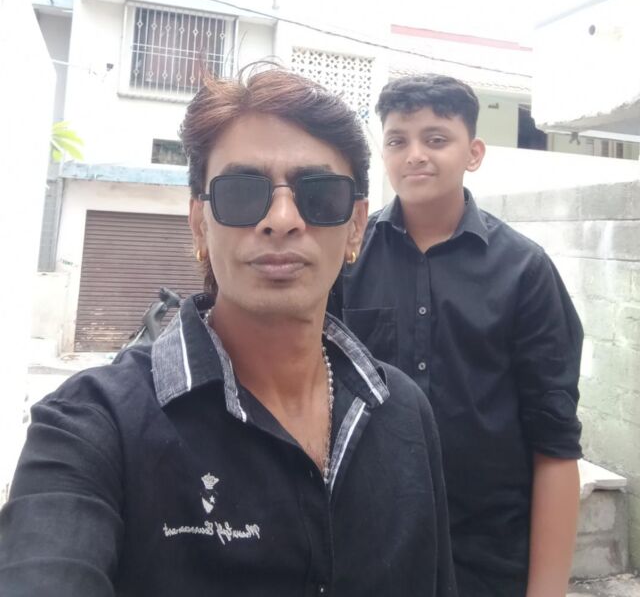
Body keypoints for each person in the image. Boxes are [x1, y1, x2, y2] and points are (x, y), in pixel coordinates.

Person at [0, 67, 457, 596]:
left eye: (319, 193)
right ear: (200, 223)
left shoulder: (403, 411)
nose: (282, 218)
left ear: (355, 225)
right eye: (242, 192)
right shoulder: (92, 425)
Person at [330, 74, 583, 597]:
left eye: (436, 138)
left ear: (474, 153)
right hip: (369, 548)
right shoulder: (344, 262)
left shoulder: (525, 271)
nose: (415, 155)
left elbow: (555, 442)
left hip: (491, 559)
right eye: (398, 140)